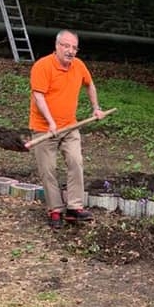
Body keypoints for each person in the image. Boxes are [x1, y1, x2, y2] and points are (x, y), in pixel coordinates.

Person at [29, 30, 104, 230]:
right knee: (48, 169)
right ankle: (55, 210)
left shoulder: (78, 66)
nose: (70, 51)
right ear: (57, 46)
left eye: (74, 47)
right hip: (44, 129)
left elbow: (90, 85)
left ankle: (74, 208)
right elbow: (38, 96)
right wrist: (51, 122)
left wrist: (96, 108)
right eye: (66, 46)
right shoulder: (42, 66)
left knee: (75, 161)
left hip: (70, 126)